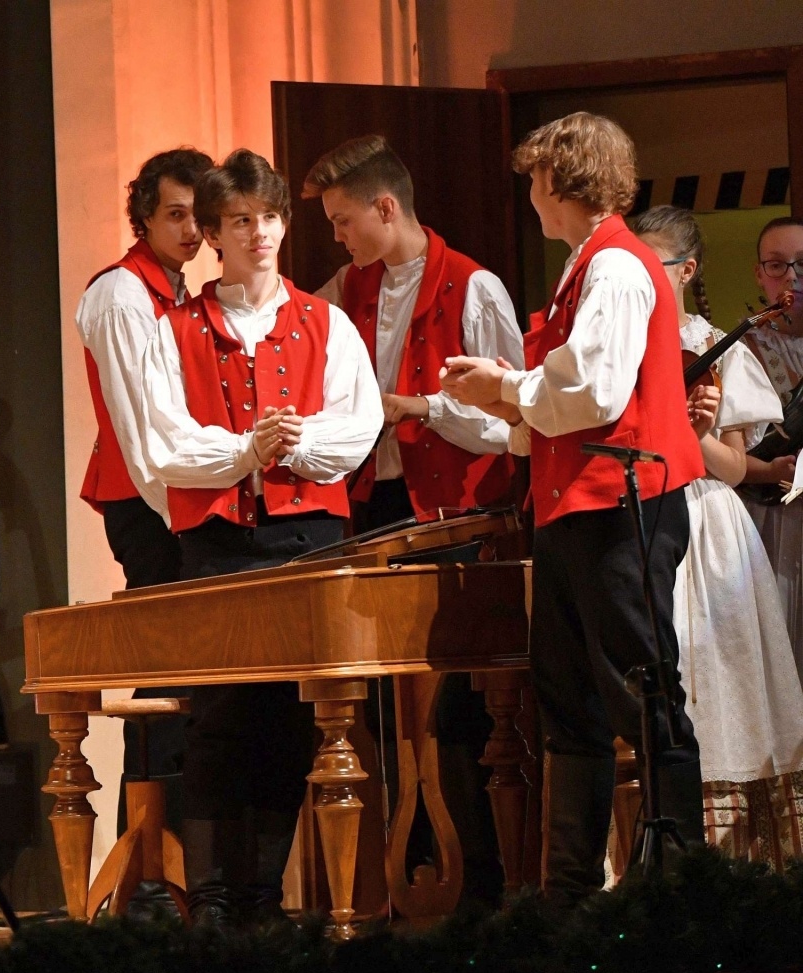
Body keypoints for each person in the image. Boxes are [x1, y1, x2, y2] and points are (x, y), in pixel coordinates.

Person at [440, 112, 706, 903]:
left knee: (640, 689)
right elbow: (561, 400)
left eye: (533, 179)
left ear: (560, 182)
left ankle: (679, 884)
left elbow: (594, 391)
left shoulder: (618, 268)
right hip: (573, 513)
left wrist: (510, 391)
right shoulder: (584, 270)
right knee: (568, 696)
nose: (529, 193)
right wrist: (500, 398)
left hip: (623, 508)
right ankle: (568, 894)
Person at [136, 148, 382, 924]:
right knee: (215, 718)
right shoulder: (176, 329)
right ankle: (211, 901)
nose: (260, 232)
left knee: (286, 719)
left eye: (270, 216)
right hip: (216, 543)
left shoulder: (324, 321)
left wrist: (293, 446)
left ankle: (264, 898)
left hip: (305, 536)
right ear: (212, 232)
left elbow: (360, 422)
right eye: (240, 220)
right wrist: (244, 452)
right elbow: (160, 443)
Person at [302, 133, 525, 906]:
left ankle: (482, 882)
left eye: (342, 220)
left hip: (461, 508)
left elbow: (512, 424)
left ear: (385, 208)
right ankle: (404, 876)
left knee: (461, 700)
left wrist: (422, 408)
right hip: (381, 506)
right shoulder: (346, 288)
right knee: (393, 699)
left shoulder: (475, 287)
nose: (337, 237)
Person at [633, 208, 803, 869]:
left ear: (687, 270)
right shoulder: (617, 338)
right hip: (639, 517)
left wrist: (698, 433)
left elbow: (733, 466)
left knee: (718, 677)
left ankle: (733, 867)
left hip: (705, 524)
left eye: (654, 265)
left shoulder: (713, 342)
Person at [74, 147, 213, 840]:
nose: (190, 230)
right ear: (145, 219)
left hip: (175, 496)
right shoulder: (123, 294)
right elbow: (137, 428)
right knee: (163, 676)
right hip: (148, 499)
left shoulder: (181, 290)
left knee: (184, 677)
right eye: (175, 215)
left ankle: (182, 848)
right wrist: (183, 514)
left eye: (197, 215)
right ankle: (151, 855)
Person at [742, 215, 803, 677]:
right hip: (776, 517)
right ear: (760, 275)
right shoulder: (742, 348)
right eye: (778, 266)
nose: (793, 278)